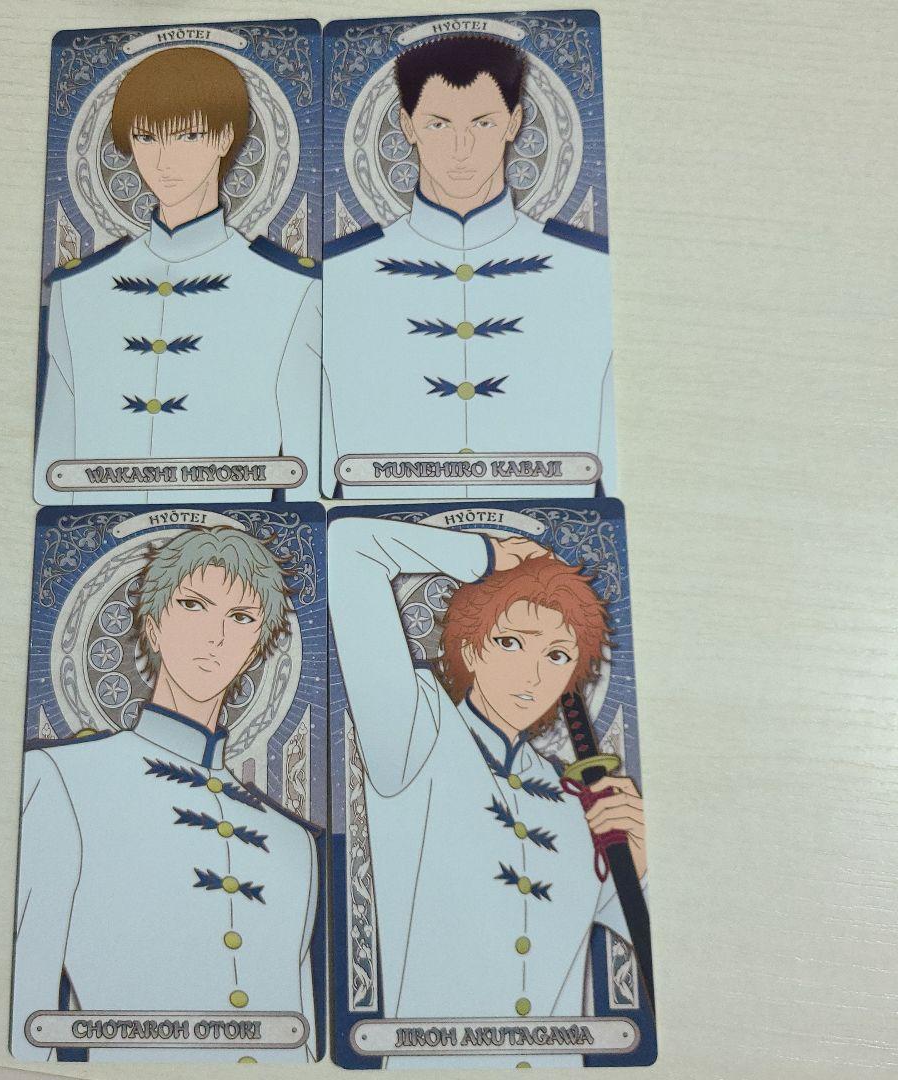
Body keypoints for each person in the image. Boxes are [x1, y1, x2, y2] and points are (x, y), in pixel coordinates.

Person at [328, 516, 646, 1068]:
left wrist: (639, 870)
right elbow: (350, 547)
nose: (533, 674)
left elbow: (655, 956)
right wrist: (486, 557)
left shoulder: (578, 802)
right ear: (471, 648)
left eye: (557, 655)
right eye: (510, 642)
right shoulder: (414, 732)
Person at [12, 527, 319, 1062]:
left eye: (240, 618)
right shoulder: (62, 780)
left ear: (255, 649)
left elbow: (303, 1039)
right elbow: (26, 1014)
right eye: (194, 606)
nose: (215, 636)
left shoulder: (294, 842)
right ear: (152, 627)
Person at [323, 35, 615, 499]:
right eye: (438, 124)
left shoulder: (587, 269)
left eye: (483, 122)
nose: (461, 148)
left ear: (514, 122)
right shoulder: (339, 274)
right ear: (407, 125)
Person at [35, 48, 321, 505]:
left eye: (188, 135)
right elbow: (52, 470)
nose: (164, 160)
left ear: (225, 137)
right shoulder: (77, 288)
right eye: (147, 137)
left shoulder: (294, 288)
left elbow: (304, 470)